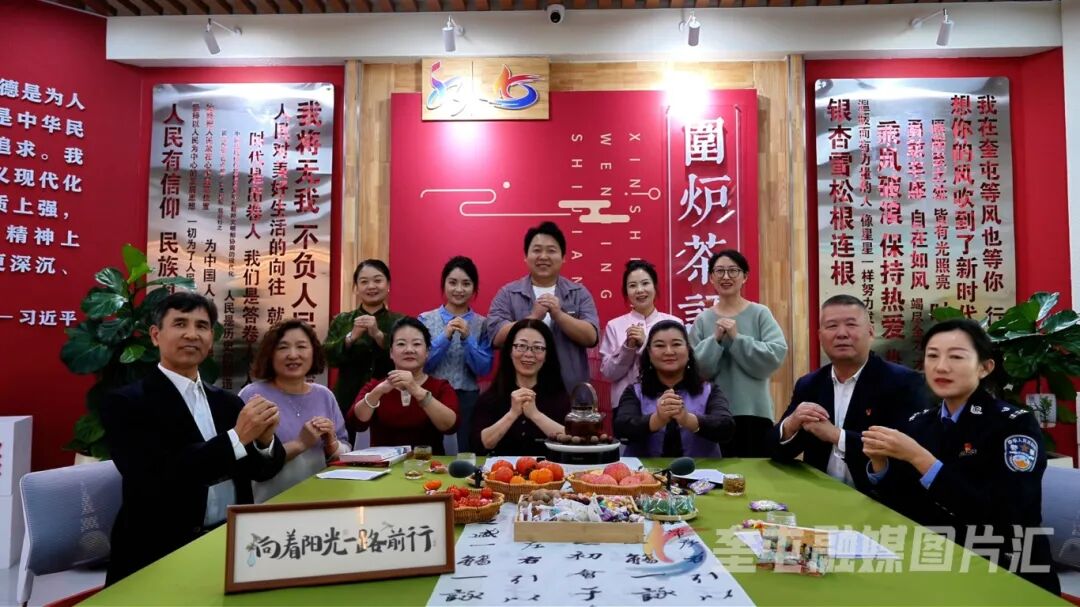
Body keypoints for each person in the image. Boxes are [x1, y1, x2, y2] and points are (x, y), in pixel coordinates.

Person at [99, 292, 285, 585]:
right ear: (156, 335)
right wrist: (237, 438)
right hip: (159, 552)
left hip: (232, 544)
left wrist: (265, 440)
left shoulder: (227, 402)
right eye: (180, 324)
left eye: (201, 326)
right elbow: (156, 476)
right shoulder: (126, 403)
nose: (191, 334)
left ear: (211, 339)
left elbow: (260, 471)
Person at [862, 319, 1059, 594]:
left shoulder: (1014, 425)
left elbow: (1006, 515)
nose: (941, 367)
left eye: (956, 357)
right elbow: (904, 502)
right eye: (933, 356)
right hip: (936, 563)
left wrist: (920, 458)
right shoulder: (920, 422)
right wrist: (880, 463)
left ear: (985, 367)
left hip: (1006, 569)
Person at [769, 295, 927, 492]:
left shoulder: (902, 382)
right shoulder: (810, 384)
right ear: (820, 335)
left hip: (878, 499)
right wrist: (791, 424)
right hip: (819, 495)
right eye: (832, 326)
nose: (841, 334)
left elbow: (907, 453)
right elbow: (775, 451)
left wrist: (837, 436)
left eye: (851, 325)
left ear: (870, 332)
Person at [688, 249, 787, 457]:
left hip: (755, 412)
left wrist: (737, 338)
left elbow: (775, 354)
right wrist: (714, 340)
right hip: (712, 414)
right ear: (711, 277)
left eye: (733, 271)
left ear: (745, 276)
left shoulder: (760, 313)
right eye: (719, 271)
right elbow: (694, 369)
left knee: (755, 472)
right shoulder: (703, 320)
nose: (726, 277)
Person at [239, 319, 350, 503]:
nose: (293, 355)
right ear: (270, 354)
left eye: (301, 346)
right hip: (268, 505)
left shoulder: (324, 395)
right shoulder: (252, 395)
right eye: (283, 347)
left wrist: (332, 443)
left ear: (313, 352)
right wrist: (301, 443)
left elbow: (345, 450)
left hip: (321, 501)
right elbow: (244, 461)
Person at [488, 221, 600, 392]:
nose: (543, 256)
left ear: (563, 257)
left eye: (551, 250)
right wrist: (532, 318)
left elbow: (591, 337)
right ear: (526, 256)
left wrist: (559, 315)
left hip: (569, 391)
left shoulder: (579, 292)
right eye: (537, 250)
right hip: (518, 391)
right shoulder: (508, 293)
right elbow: (496, 336)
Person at [614, 320, 735, 457]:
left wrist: (687, 419)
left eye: (676, 344)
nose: (669, 351)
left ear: (688, 350)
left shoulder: (709, 390)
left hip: (701, 469)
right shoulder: (635, 392)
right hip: (644, 470)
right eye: (660, 345)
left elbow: (726, 428)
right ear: (649, 353)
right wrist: (656, 420)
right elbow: (621, 429)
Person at [346, 316, 459, 454]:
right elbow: (356, 422)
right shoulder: (375, 386)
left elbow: (450, 426)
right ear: (391, 353)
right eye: (401, 344)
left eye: (416, 344)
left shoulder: (441, 387)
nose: (409, 350)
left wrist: (416, 389)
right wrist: (377, 392)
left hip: (429, 463)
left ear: (427, 352)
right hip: (384, 464)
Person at [419, 256, 494, 453]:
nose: (459, 289)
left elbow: (484, 369)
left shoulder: (483, 324)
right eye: (452, 282)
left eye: (466, 284)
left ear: (474, 288)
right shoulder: (425, 320)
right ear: (443, 285)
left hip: (467, 399)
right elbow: (421, 363)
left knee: (463, 451)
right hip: (430, 396)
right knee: (429, 451)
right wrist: (444, 337)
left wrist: (468, 339)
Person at [472, 319, 571, 456]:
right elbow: (480, 444)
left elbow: (573, 441)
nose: (529, 354)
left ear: (547, 355)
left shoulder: (560, 398)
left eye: (538, 348)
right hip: (501, 469)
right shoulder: (490, 398)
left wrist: (535, 415)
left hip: (550, 469)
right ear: (510, 351)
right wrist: (512, 414)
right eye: (521, 346)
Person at [324, 259, 404, 428]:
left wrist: (379, 336)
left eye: (377, 280)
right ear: (356, 288)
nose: (371, 286)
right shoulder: (342, 320)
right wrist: (350, 337)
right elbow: (327, 357)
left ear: (388, 285)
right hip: (347, 400)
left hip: (389, 398)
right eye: (364, 282)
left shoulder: (401, 322)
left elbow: (407, 358)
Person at [599, 260, 681, 423]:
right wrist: (627, 348)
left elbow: (679, 366)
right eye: (632, 285)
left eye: (645, 283)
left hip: (666, 401)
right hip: (625, 404)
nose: (640, 290)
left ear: (654, 286)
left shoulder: (674, 323)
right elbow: (609, 374)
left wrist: (646, 344)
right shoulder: (614, 326)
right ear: (626, 291)